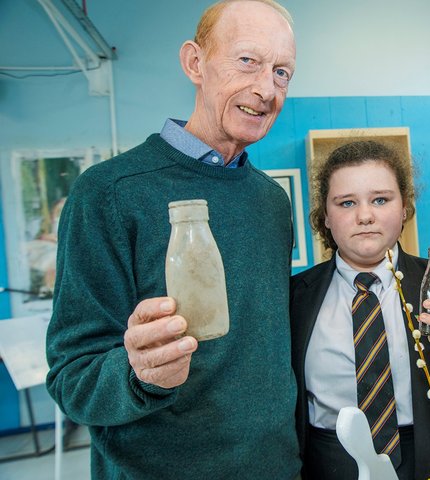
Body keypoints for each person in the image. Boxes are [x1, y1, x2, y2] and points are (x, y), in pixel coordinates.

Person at [45, 1, 300, 478]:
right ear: (195, 62)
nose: (266, 88)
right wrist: (138, 373)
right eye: (247, 60)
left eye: (282, 72)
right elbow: (71, 376)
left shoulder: (271, 202)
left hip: (275, 466)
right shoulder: (109, 192)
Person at [290, 140, 430, 479]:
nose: (365, 215)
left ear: (404, 207)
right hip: (329, 463)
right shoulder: (294, 297)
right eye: (346, 203)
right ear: (326, 216)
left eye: (380, 199)